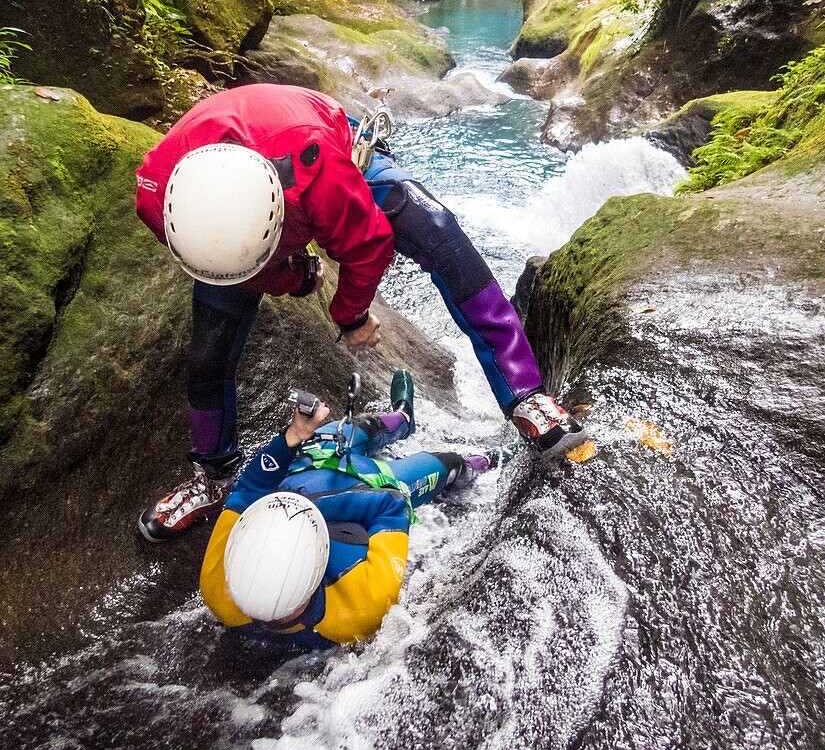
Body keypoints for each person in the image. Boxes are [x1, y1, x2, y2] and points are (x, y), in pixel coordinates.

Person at [135, 83, 583, 541]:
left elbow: (368, 246)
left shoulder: (318, 169)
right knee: (208, 350)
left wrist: (348, 315)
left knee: (439, 232)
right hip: (235, 211)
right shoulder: (157, 194)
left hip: (322, 149)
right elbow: (236, 270)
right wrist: (292, 278)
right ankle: (211, 475)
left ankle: (525, 395)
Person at [200, 370, 517, 649]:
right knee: (446, 464)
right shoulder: (360, 608)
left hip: (308, 459)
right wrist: (317, 506)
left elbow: (249, 489)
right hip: (367, 485)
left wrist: (291, 437)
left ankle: (403, 419)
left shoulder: (219, 589)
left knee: (356, 426)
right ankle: (489, 460)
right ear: (319, 563)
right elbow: (393, 503)